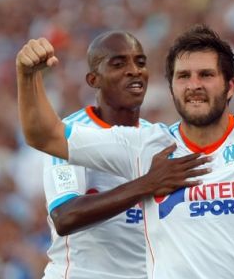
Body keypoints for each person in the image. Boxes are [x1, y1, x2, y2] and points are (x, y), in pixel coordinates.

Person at [16, 2, 234, 278]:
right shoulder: (146, 147)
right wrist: (27, 73)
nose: (194, 85)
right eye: (183, 77)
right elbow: (42, 134)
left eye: (206, 75)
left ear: (230, 85)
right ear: (171, 88)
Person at [22, 31, 211, 278]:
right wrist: (147, 184)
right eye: (118, 64)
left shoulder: (159, 139)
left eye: (140, 63)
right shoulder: (70, 136)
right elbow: (64, 216)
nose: (134, 70)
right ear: (93, 80)